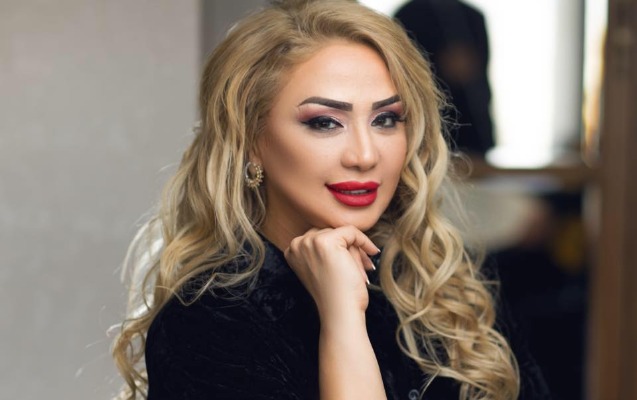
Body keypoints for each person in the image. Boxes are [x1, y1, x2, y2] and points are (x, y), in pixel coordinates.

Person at [111, 1, 550, 399]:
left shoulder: (448, 291)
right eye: (325, 122)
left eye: (386, 119)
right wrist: (342, 318)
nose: (365, 155)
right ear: (250, 141)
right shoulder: (208, 323)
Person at [395, 0, 495, 156]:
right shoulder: (408, 14)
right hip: (428, 121)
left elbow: (480, 69)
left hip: (473, 128)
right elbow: (403, 68)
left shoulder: (473, 16)